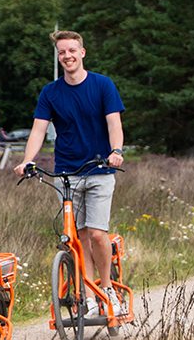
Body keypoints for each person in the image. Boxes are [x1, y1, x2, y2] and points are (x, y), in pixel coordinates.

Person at [13, 31, 126, 315]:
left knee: (98, 235)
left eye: (72, 51)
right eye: (62, 52)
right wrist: (28, 160)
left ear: (83, 52)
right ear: (58, 56)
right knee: (79, 238)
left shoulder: (103, 85)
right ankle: (88, 296)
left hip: (100, 170)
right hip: (67, 175)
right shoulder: (51, 92)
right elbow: (39, 130)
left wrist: (117, 150)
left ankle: (107, 287)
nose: (67, 56)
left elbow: (114, 123)